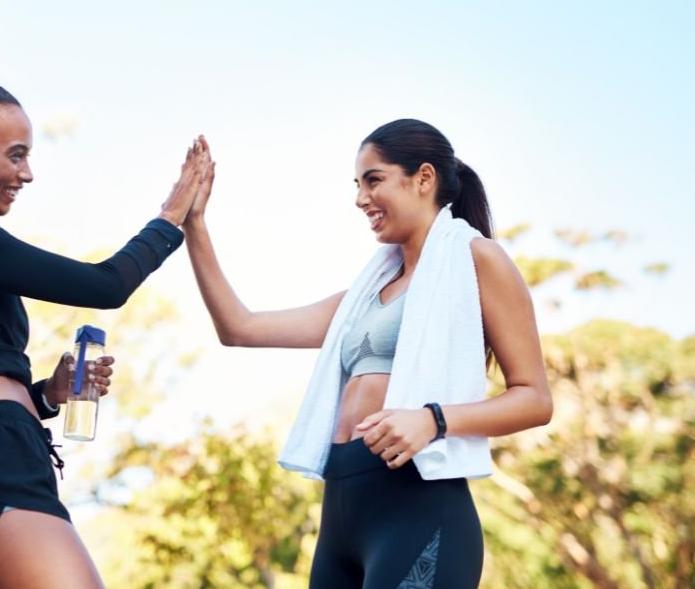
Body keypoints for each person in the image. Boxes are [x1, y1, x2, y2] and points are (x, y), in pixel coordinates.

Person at [0, 48, 208, 588]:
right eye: (15, 155)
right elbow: (105, 286)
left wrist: (47, 395)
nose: (27, 173)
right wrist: (171, 218)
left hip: (2, 453)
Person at [183, 121, 553, 588]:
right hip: (341, 513)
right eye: (357, 185)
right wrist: (194, 225)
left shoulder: (478, 260)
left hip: (418, 509)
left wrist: (434, 419)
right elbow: (239, 327)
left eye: (373, 180)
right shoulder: (362, 297)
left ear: (423, 178)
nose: (360, 198)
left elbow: (535, 399)